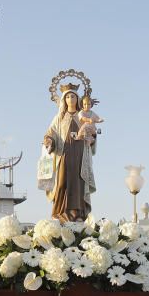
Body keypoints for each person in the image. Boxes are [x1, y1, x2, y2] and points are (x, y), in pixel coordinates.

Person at [42, 85, 97, 222]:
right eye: (67, 96)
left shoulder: (82, 116)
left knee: (78, 181)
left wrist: (92, 139)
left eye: (73, 96)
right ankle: (60, 213)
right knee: (61, 183)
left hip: (80, 153)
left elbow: (93, 132)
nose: (70, 99)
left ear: (77, 99)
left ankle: (78, 214)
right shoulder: (59, 117)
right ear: (63, 100)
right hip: (64, 153)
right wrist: (49, 141)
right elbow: (50, 133)